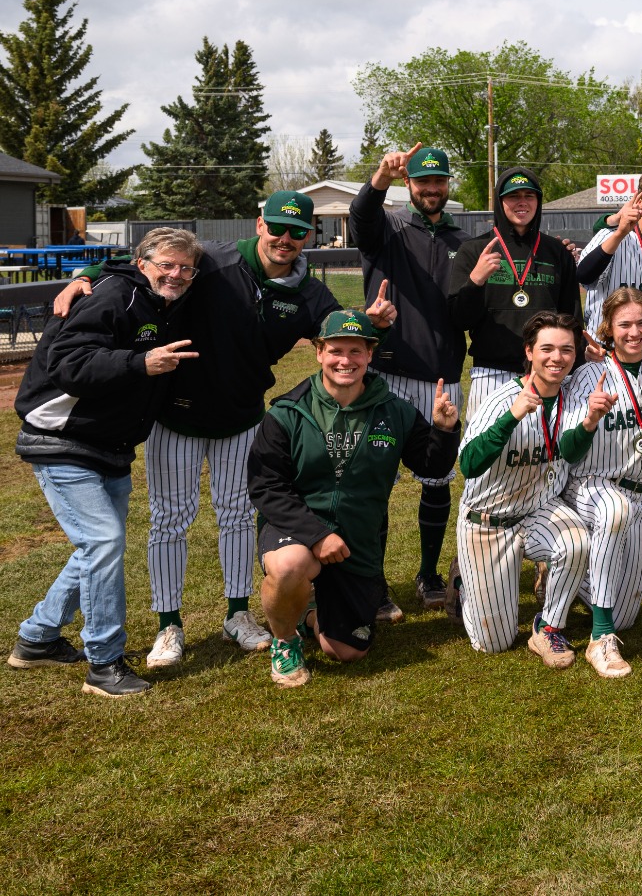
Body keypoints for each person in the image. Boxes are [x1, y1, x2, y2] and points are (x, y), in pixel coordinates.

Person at [53, 192, 380, 666]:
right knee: (170, 519)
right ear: (259, 224)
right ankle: (168, 625)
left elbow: (341, 337)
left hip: (243, 419)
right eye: (277, 227)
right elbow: (140, 263)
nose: (285, 238)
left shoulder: (309, 291)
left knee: (237, 516)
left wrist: (376, 326)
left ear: (310, 235)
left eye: (297, 231)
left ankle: (237, 613)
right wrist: (82, 278)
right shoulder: (213, 258)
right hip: (177, 416)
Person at [10, 227, 201, 697]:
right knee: (103, 541)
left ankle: (37, 638)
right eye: (165, 265)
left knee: (97, 547)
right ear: (143, 264)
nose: (175, 274)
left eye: (184, 267)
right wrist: (140, 363)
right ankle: (104, 662)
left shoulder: (162, 300)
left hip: (110, 445)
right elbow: (67, 364)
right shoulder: (114, 295)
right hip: (62, 438)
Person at [249, 311, 461, 688]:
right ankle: (285, 642)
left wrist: (444, 431)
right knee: (288, 567)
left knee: (346, 651)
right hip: (297, 530)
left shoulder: (394, 410)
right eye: (335, 350)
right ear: (318, 352)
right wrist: (317, 535)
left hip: (356, 540)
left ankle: (311, 611)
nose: (345, 360)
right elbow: (267, 488)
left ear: (369, 355)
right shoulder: (288, 411)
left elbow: (430, 466)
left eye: (355, 351)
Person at [455, 311, 612, 665]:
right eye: (547, 349)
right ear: (528, 352)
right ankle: (465, 582)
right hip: (487, 520)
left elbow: (567, 450)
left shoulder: (572, 397)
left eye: (566, 350)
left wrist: (589, 423)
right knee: (494, 642)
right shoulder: (501, 399)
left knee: (575, 541)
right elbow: (469, 465)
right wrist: (511, 417)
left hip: (537, 509)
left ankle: (550, 628)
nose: (557, 358)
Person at [352, 142, 470, 611]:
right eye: (423, 181)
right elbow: (361, 216)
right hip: (390, 371)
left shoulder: (464, 240)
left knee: (438, 477)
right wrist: (380, 174)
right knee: (377, 479)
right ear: (409, 184)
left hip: (443, 374)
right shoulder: (389, 227)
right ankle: (375, 583)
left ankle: (427, 573)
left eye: (439, 181)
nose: (432, 189)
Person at [563, 288, 642, 676]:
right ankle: (600, 640)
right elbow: (569, 450)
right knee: (613, 510)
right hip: (595, 483)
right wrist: (588, 420)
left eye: (641, 323)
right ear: (608, 328)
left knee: (628, 616)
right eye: (624, 325)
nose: (633, 332)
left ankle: (567, 579)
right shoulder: (589, 376)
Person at [450, 167, 582, 412]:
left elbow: (572, 317)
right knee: (487, 448)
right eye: (513, 196)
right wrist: (476, 281)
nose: (522, 203)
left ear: (538, 201)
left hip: (546, 373)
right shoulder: (474, 250)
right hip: (490, 374)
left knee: (545, 449)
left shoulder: (557, 252)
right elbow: (460, 319)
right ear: (500, 202)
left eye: (529, 196)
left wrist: (575, 371)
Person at [575, 164, 642, 332]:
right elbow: (584, 276)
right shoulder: (611, 234)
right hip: (607, 349)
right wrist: (619, 233)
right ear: (640, 201)